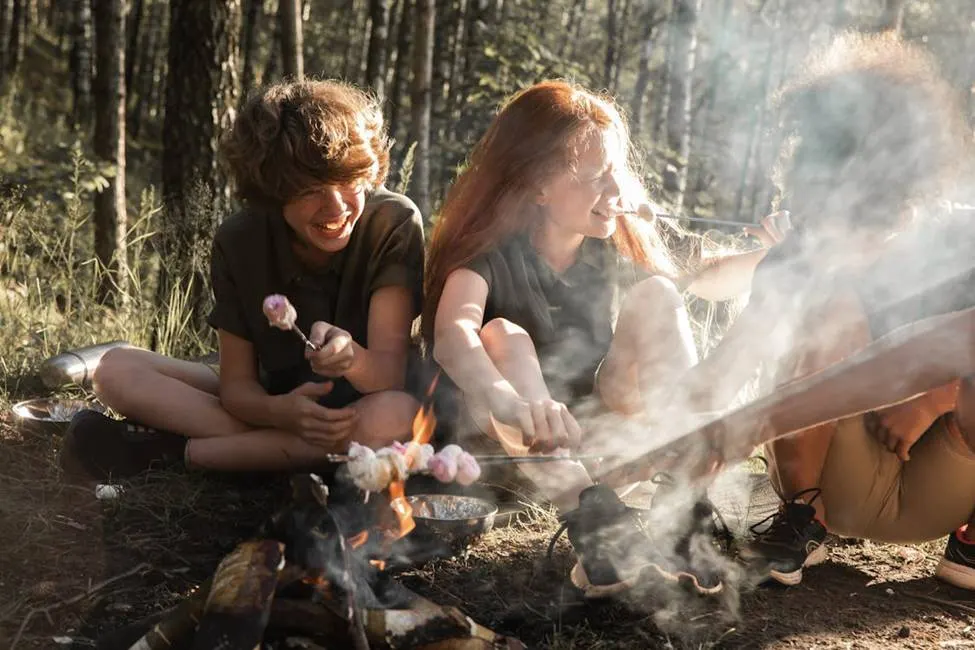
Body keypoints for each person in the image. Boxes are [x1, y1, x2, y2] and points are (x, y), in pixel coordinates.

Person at [634, 34, 974, 589]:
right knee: (823, 304)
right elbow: (726, 371)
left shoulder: (959, 242)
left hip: (937, 483)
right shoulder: (801, 256)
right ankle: (802, 522)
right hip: (830, 481)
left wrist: (930, 400)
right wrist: (648, 436)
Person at [423, 79, 781, 597]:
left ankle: (683, 497)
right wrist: (513, 401)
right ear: (538, 186)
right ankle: (593, 526)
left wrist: (790, 255)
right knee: (504, 334)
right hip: (510, 455)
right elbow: (453, 335)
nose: (617, 192)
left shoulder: (614, 236)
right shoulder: (491, 254)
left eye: (617, 173)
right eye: (597, 177)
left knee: (657, 293)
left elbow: (712, 273)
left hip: (598, 449)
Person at [61, 79, 425, 477]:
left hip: (360, 406)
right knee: (115, 369)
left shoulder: (394, 223)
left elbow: (388, 374)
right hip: (273, 400)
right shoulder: (240, 239)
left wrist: (351, 357)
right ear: (272, 189)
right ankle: (271, 451)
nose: (335, 206)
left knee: (399, 413)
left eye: (348, 182)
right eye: (310, 190)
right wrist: (278, 413)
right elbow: (238, 388)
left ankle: (168, 452)